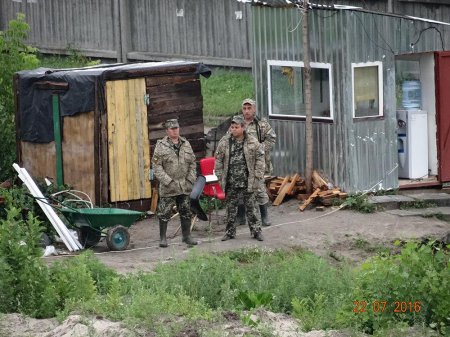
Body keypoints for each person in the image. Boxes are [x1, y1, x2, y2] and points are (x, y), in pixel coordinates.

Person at [214, 115, 265, 241]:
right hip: (231, 182)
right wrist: (220, 177)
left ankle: (256, 231)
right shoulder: (225, 141)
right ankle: (230, 232)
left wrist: (258, 175)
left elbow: (260, 158)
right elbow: (218, 159)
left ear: (243, 128)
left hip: (248, 181)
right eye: (232, 127)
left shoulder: (252, 141)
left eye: (236, 127)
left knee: (252, 208)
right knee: (230, 209)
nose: (233, 130)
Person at [152, 118, 198, 248]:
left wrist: (191, 179)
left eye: (176, 128)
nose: (175, 130)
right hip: (169, 186)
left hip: (184, 185)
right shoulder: (160, 146)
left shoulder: (186, 144)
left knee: (185, 211)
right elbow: (156, 167)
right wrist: (167, 181)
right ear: (167, 131)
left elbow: (193, 163)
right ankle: (163, 238)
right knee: (164, 213)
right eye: (172, 129)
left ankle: (187, 236)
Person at [237, 98, 277, 227]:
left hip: (257, 163)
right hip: (241, 163)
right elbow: (229, 138)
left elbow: (271, 138)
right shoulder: (237, 123)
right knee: (241, 190)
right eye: (245, 108)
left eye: (249, 108)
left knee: (260, 189)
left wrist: (260, 149)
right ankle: (241, 217)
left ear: (254, 109)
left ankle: (264, 216)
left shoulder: (262, 124)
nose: (247, 111)